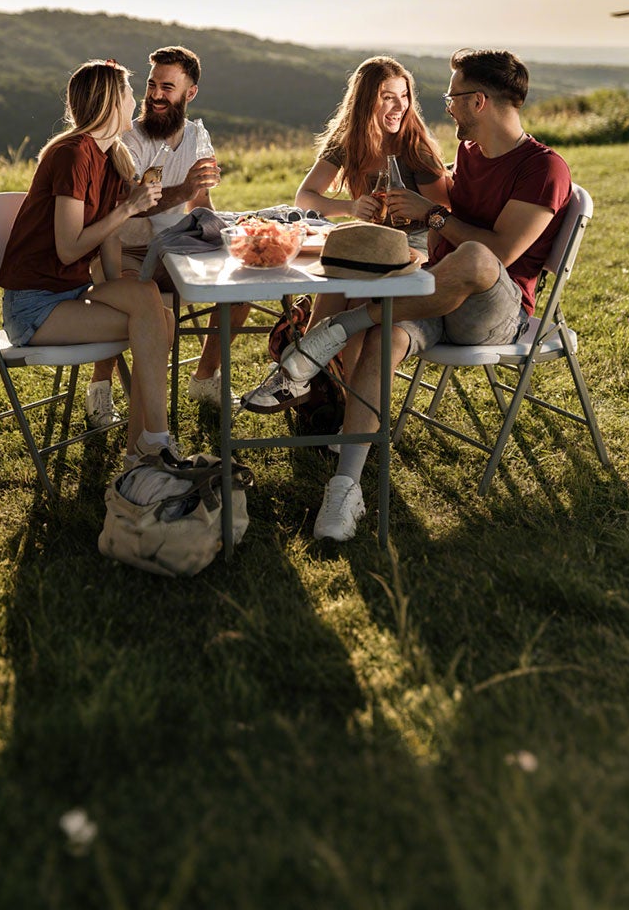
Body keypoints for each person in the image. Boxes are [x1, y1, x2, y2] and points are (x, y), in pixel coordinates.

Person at [243, 49, 571, 543]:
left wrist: (431, 216)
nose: (447, 107)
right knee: (384, 338)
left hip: (495, 311)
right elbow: (436, 242)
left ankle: (333, 334)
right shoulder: (469, 155)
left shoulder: (544, 168)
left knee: (478, 257)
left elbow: (499, 253)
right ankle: (345, 485)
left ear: (479, 101)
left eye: (453, 97)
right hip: (435, 299)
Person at [0, 59, 179, 468]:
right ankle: (152, 444)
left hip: (72, 293)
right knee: (154, 321)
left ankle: (144, 447)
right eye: (131, 92)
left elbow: (110, 237)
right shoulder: (72, 154)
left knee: (152, 306)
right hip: (34, 306)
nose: (139, 99)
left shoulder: (112, 156)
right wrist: (129, 207)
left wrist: (121, 294)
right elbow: (68, 248)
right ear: (111, 101)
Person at [85, 45, 248, 427]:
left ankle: (205, 378)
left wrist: (213, 225)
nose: (156, 95)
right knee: (129, 296)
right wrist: (183, 191)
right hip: (125, 249)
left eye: (168, 87)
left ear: (189, 93)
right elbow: (129, 204)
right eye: (152, 84)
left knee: (239, 287)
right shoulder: (130, 139)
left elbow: (201, 201)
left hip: (176, 249)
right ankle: (100, 386)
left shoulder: (196, 137)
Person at [292, 56, 449, 372]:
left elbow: (446, 213)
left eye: (404, 96)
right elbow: (304, 197)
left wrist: (415, 213)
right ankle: (310, 377)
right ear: (365, 101)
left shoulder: (414, 147)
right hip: (372, 243)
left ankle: (340, 394)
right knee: (337, 279)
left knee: (354, 292)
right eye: (388, 97)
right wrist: (350, 207)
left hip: (418, 247)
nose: (399, 106)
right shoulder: (348, 142)